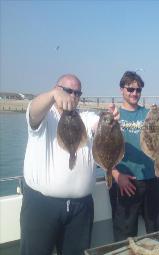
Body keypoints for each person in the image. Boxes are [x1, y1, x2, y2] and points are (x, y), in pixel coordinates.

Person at [20, 74, 119, 255]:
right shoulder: (45, 116)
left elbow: (98, 125)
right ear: (56, 88)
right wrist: (52, 95)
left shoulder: (84, 117)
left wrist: (109, 119)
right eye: (68, 91)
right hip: (42, 206)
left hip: (81, 208)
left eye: (77, 93)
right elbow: (33, 111)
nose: (73, 96)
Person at [109, 71, 159, 241]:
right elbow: (102, 149)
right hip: (124, 182)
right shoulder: (113, 116)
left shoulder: (150, 115)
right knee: (125, 236)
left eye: (138, 90)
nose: (135, 93)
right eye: (130, 89)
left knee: (158, 232)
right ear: (121, 90)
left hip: (151, 178)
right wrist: (116, 175)